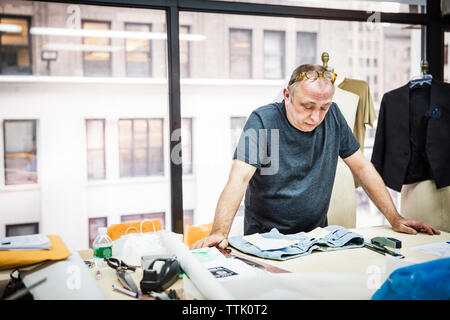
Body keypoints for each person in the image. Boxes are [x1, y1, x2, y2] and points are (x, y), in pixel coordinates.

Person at [191, 64, 440, 250]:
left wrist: (395, 218)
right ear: (287, 95)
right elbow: (239, 179)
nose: (315, 116)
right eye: (307, 106)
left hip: (315, 238)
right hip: (264, 240)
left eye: (324, 107)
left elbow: (362, 168)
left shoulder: (333, 116)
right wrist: (219, 231)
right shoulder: (262, 120)